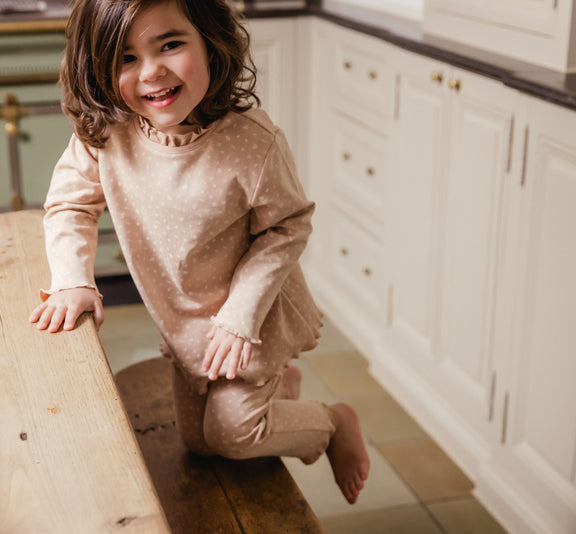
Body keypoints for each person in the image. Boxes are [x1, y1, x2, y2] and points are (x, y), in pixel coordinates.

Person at [28, 0, 370, 504]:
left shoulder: (254, 143)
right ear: (97, 66)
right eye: (126, 57)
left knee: (232, 435)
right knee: (199, 443)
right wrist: (73, 280)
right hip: (185, 324)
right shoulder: (106, 134)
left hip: (249, 319)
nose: (152, 71)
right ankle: (281, 388)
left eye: (170, 44)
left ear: (210, 41)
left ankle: (331, 422)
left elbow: (288, 227)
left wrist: (240, 315)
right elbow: (69, 205)